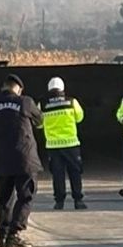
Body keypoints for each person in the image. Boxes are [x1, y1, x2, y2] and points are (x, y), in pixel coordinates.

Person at [0, 74, 43, 247]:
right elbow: (40, 121)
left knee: (4, 198)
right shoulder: (25, 102)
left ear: (4, 87)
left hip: (2, 158)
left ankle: (2, 236)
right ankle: (14, 234)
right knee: (26, 196)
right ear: (18, 88)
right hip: (25, 158)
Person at [38, 76, 87, 210]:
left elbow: (39, 125)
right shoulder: (71, 102)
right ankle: (78, 200)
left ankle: (59, 202)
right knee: (75, 173)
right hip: (71, 144)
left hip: (53, 146)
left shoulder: (42, 104)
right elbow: (80, 118)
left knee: (58, 175)